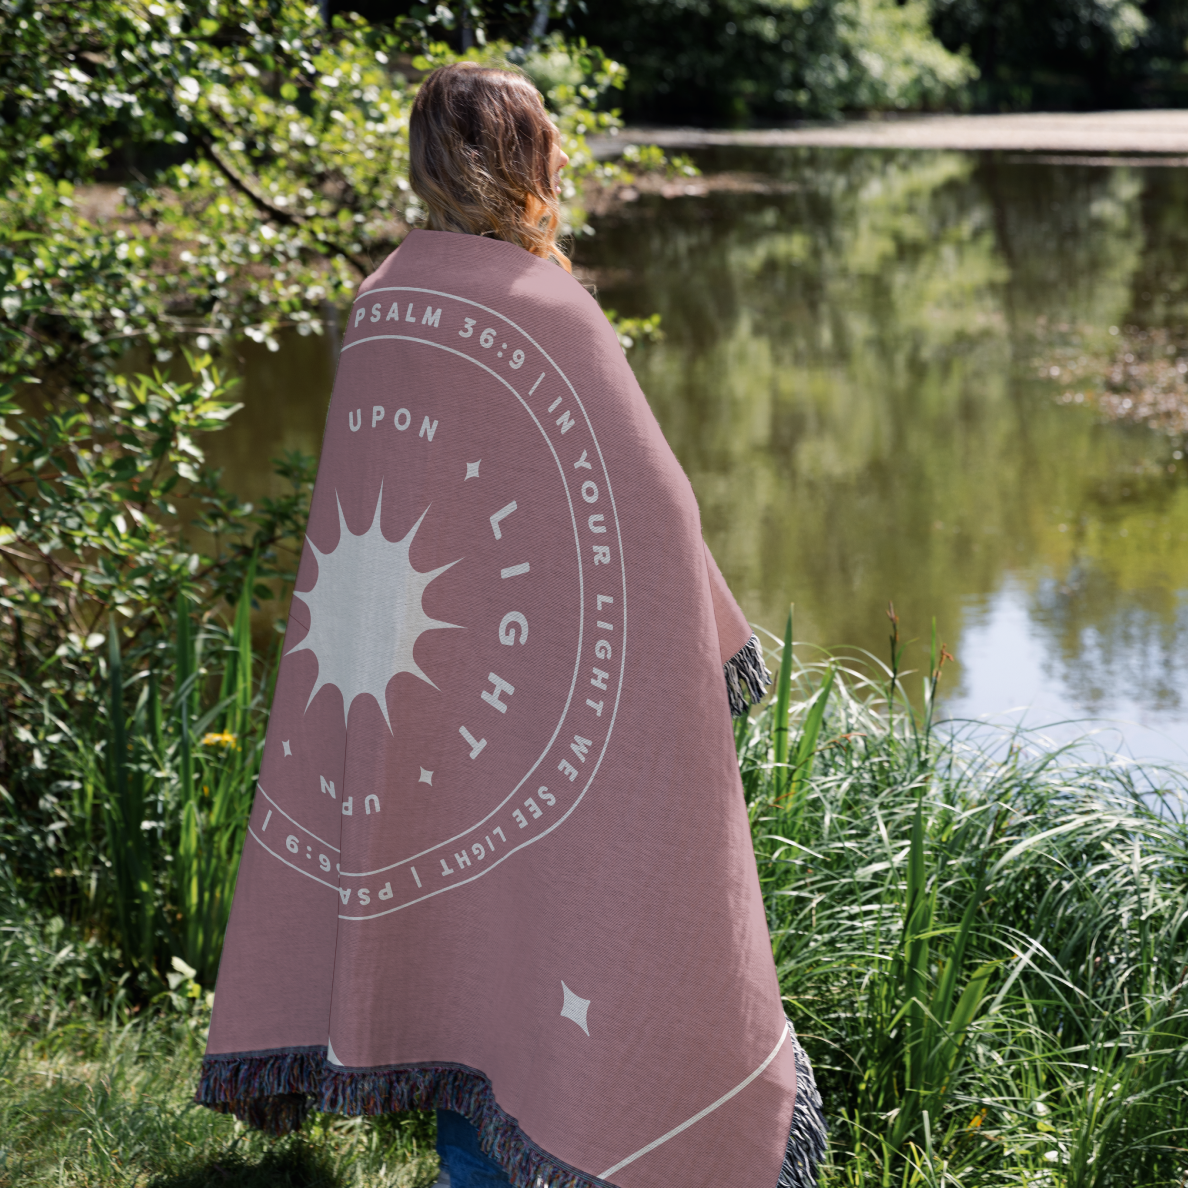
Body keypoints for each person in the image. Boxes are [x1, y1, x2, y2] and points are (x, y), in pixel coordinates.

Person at [197, 59, 824, 1188]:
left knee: (467, 941)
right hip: (525, 710)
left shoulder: (383, 299)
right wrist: (705, 642)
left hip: (419, 712)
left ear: (425, 164)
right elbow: (657, 510)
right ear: (532, 163)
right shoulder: (549, 309)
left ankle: (469, 1168)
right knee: (531, 935)